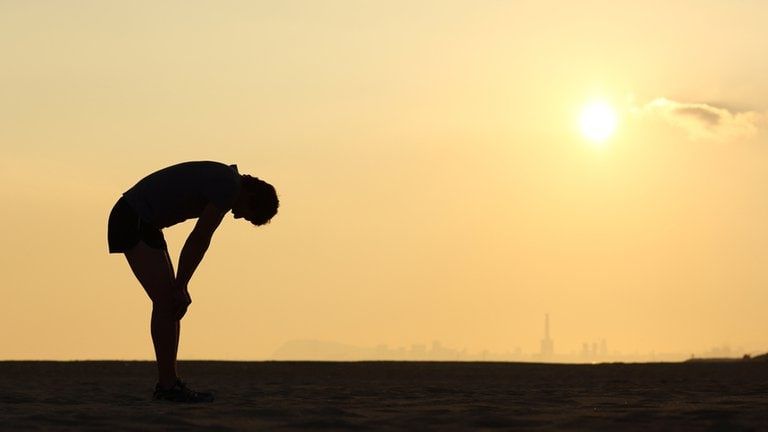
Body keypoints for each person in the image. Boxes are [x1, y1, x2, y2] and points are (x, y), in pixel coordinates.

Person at [107, 161, 279, 402]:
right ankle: (167, 386)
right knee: (167, 301)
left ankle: (170, 383)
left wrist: (180, 285)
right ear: (251, 195)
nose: (239, 217)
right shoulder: (228, 187)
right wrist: (181, 284)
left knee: (171, 305)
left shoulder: (227, 181)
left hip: (145, 223)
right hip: (131, 217)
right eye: (248, 215)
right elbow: (199, 238)